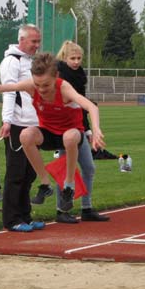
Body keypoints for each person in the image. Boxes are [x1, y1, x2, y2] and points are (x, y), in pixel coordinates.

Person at [0, 52, 105, 231]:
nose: (41, 90)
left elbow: (90, 106)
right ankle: (45, 183)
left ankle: (69, 184)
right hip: (48, 133)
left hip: (71, 133)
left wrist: (96, 129)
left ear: (56, 77)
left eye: (46, 85)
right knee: (25, 135)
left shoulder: (64, 88)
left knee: (69, 137)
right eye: (37, 84)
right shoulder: (30, 86)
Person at [0, 24, 44, 232]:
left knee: (30, 173)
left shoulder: (32, 62)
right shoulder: (11, 62)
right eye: (33, 41)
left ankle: (25, 215)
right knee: (16, 173)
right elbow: (8, 92)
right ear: (22, 40)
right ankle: (12, 219)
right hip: (17, 124)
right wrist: (7, 121)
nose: (37, 45)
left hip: (34, 125)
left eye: (38, 41)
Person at [55, 40, 110, 223]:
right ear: (65, 57)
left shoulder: (79, 75)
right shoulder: (59, 76)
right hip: (64, 128)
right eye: (73, 58)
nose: (77, 61)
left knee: (89, 168)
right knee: (65, 169)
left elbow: (82, 106)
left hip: (78, 126)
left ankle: (87, 208)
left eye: (79, 58)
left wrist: (87, 129)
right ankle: (61, 210)